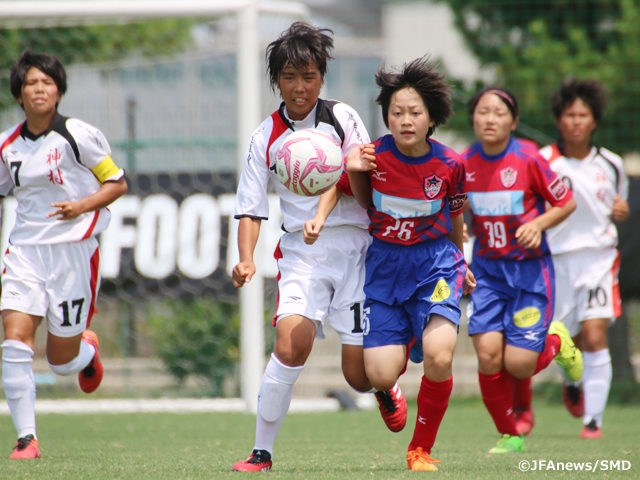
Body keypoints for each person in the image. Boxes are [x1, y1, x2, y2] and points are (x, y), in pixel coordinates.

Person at [231, 22, 407, 473]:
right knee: (291, 345)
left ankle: (385, 387)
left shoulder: (342, 118)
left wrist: (330, 202)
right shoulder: (264, 137)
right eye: (289, 76)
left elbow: (366, 179)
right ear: (276, 81)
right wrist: (246, 259)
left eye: (308, 76)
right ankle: (261, 452)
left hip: (357, 249)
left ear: (321, 77)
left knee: (357, 375)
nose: (299, 86)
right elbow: (250, 208)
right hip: (301, 253)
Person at [345, 57, 476, 472]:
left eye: (414, 112)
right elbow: (365, 204)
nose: (405, 120)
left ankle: (420, 450)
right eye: (396, 112)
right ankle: (390, 390)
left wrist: (462, 262)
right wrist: (354, 171)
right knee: (379, 375)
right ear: (385, 116)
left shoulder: (451, 165)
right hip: (384, 267)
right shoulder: (372, 157)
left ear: (431, 118)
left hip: (436, 265)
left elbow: (456, 218)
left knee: (439, 356)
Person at [0, 51, 127, 459]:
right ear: (19, 93)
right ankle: (26, 438)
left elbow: (117, 183)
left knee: (60, 362)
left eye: (47, 83)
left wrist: (82, 205)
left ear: (58, 91)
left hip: (73, 253)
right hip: (23, 253)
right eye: (31, 83)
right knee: (15, 341)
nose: (39, 89)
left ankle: (86, 350)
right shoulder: (7, 145)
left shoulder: (78, 135)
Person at [462, 87, 581, 454]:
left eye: (499, 113)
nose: (490, 119)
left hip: (529, 273)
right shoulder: (463, 163)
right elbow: (460, 212)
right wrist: (461, 232)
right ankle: (510, 434)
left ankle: (557, 342)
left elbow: (566, 201)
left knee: (520, 364)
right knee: (487, 356)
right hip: (487, 274)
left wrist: (539, 224)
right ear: (473, 119)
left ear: (513, 121)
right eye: (483, 112)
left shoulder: (528, 157)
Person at [539, 78, 629, 439]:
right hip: (555, 261)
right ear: (559, 120)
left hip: (598, 259)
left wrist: (620, 209)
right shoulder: (544, 161)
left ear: (594, 121)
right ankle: (572, 384)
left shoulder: (612, 163)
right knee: (566, 341)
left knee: (594, 336)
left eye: (583, 115)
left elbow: (616, 205)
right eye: (569, 115)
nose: (576, 121)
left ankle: (593, 421)